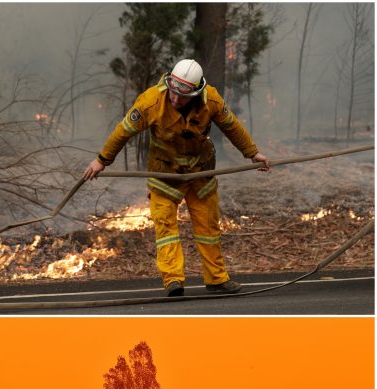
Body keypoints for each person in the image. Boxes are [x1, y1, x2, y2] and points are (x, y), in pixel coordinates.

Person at [83, 59, 270, 297]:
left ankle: (216, 280)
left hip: (201, 173)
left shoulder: (210, 100)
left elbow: (231, 126)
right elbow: (123, 131)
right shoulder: (151, 102)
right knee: (166, 229)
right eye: (172, 91)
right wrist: (102, 160)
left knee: (208, 229)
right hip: (165, 175)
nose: (174, 98)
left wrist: (252, 153)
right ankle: (173, 281)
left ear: (195, 93)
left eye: (182, 96)